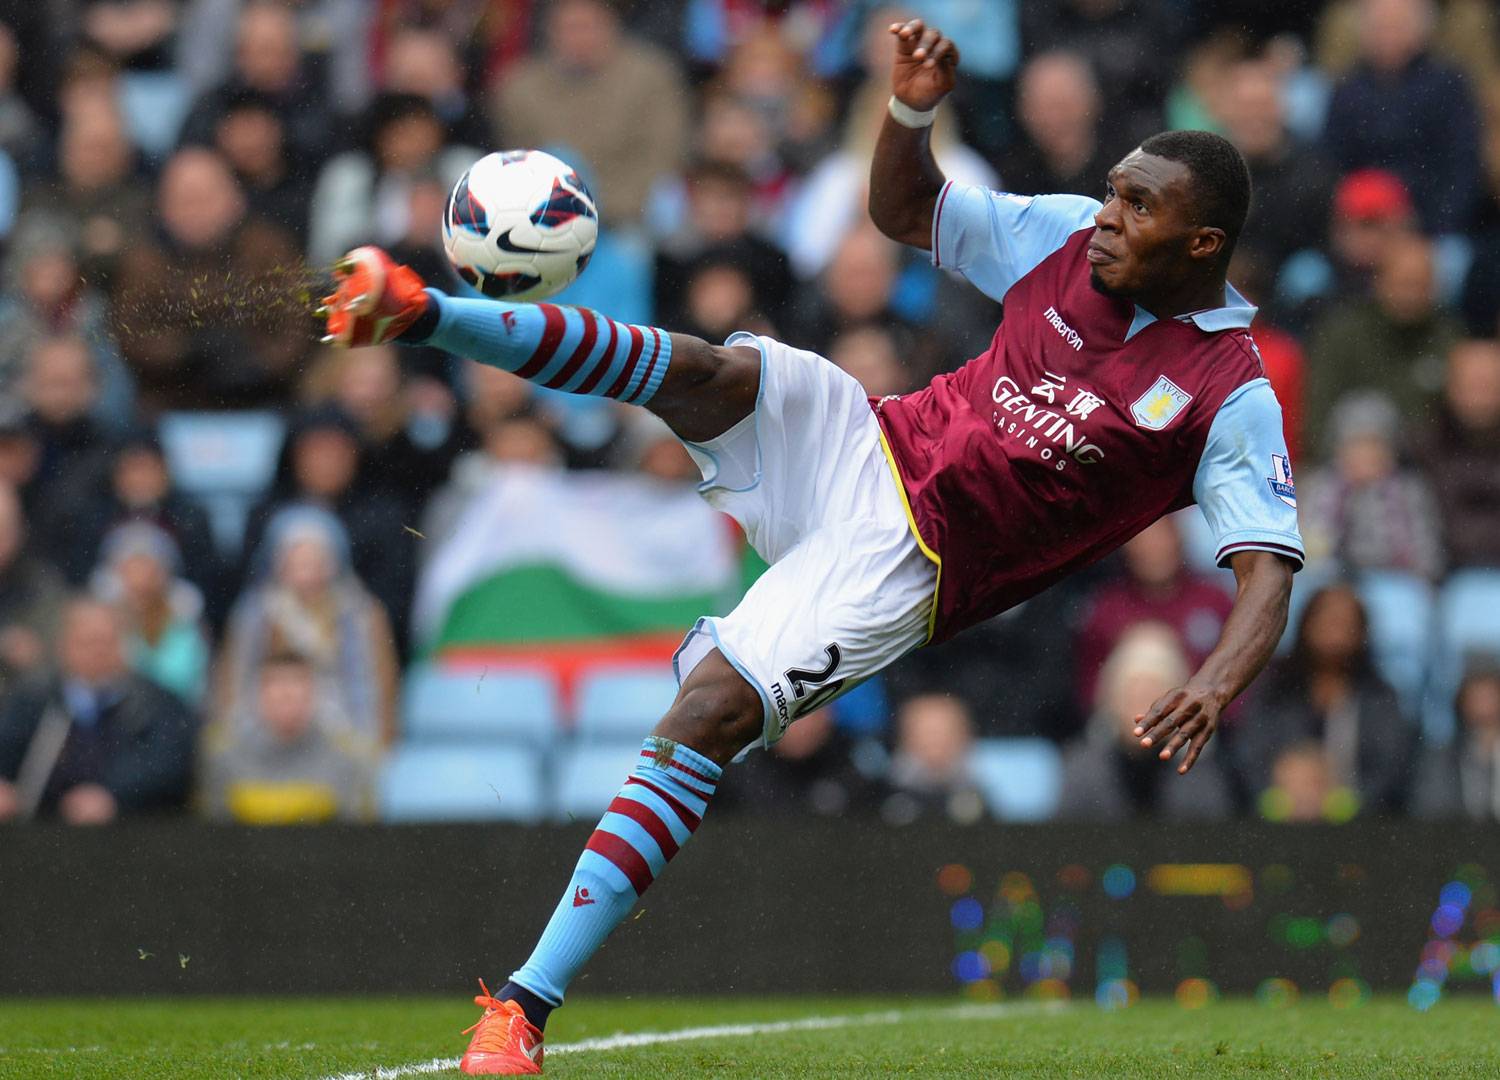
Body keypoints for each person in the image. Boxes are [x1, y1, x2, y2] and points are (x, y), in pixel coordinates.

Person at [317, 18, 1302, 1073]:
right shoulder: (1065, 237)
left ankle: (519, 1009)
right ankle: (424, 314)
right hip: (869, 439)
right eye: (1112, 190)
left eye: (1138, 205)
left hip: (912, 565)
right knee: (709, 372)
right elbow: (903, 208)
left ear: (1203, 244)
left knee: (710, 712)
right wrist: (911, 110)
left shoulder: (1227, 393)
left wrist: (1215, 681)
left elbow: (1268, 570)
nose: (1108, 217)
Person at [0, 597, 197, 823]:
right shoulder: (34, 699)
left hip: (132, 834)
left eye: (107, 642)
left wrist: (114, 795)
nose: (98, 652)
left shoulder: (158, 704)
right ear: (63, 645)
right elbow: (7, 749)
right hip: (41, 830)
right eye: (87, 642)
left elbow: (169, 766)